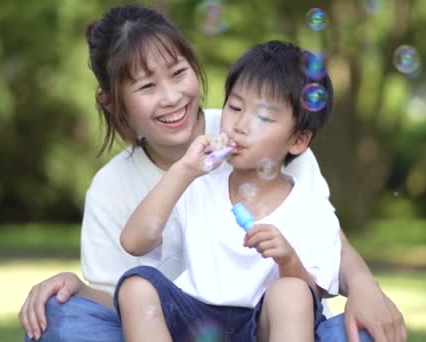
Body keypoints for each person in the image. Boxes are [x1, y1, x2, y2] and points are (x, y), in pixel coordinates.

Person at [18, 3, 406, 342]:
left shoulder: (274, 150)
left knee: (356, 331)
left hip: (269, 325)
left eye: (177, 72)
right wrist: (81, 290)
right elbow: (126, 279)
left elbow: (323, 266)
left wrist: (364, 286)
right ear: (113, 99)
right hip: (180, 323)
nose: (171, 97)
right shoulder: (183, 180)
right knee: (65, 318)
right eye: (147, 85)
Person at [117, 40, 340, 341]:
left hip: (261, 328)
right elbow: (133, 242)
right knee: (136, 286)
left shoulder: (313, 212)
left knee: (292, 293)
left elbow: (312, 298)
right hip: (193, 322)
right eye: (235, 107)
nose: (240, 125)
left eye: (263, 117)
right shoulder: (196, 187)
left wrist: (288, 260)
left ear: (298, 140)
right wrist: (184, 169)